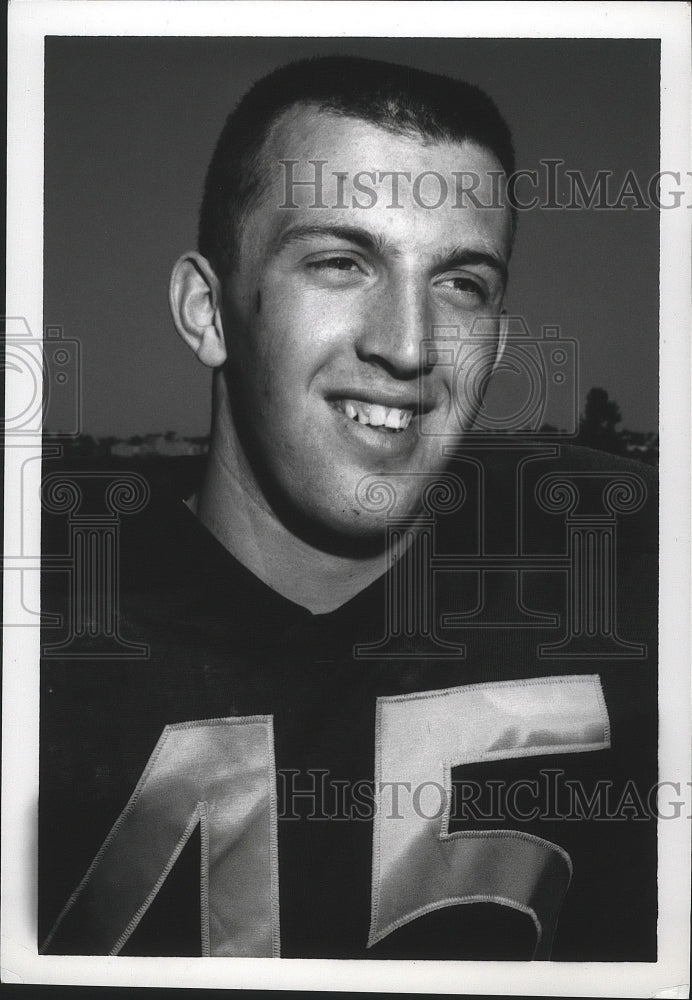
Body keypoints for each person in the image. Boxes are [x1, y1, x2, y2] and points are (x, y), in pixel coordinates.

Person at [39, 55, 657, 962]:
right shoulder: (54, 651)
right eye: (340, 261)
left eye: (461, 284)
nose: (409, 345)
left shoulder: (624, 602)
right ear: (208, 311)